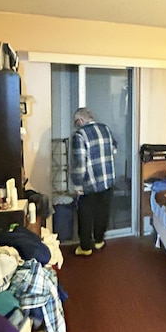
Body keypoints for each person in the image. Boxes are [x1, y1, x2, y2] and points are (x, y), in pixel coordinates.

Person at [70, 107, 117, 256]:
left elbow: (79, 163)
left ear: (80, 121)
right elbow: (114, 149)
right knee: (102, 212)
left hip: (89, 183)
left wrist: (77, 184)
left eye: (76, 123)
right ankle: (98, 241)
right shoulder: (105, 129)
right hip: (107, 180)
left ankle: (85, 248)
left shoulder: (80, 135)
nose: (76, 125)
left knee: (85, 214)